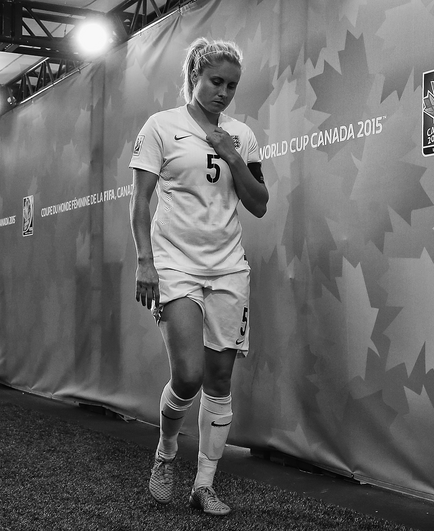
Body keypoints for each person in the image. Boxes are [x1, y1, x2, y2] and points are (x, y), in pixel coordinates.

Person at [128, 37, 269, 516]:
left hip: (229, 267)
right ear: (194, 76)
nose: (223, 93)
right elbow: (139, 203)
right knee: (187, 376)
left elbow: (259, 204)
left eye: (231, 85)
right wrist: (145, 262)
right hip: (174, 264)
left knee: (221, 378)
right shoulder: (161, 127)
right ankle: (166, 454)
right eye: (215, 82)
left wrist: (230, 153)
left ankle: (204, 485)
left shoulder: (241, 135)